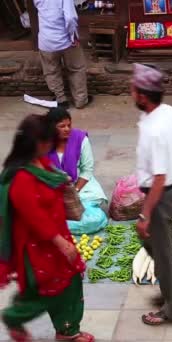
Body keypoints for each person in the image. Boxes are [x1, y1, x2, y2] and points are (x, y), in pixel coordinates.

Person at [0, 115, 93, 342]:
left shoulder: (42, 163)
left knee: (70, 283)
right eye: (46, 141)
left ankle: (68, 331)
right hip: (38, 248)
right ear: (35, 143)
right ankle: (13, 317)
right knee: (46, 292)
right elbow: (36, 218)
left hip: (57, 239)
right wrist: (61, 243)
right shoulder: (21, 178)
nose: (50, 145)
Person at [131, 63, 172, 325]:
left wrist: (145, 214)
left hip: (161, 196)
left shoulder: (155, 130)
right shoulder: (169, 112)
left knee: (162, 254)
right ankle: (171, 284)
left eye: (133, 89)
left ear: (142, 95)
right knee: (153, 245)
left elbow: (159, 179)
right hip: (171, 188)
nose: (131, 93)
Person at [46, 108, 108, 233]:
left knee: (92, 220)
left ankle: (54, 227)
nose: (67, 129)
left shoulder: (80, 139)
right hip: (50, 187)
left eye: (69, 125)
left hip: (78, 184)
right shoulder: (43, 142)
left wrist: (74, 191)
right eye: (61, 126)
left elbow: (87, 170)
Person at [33, 0, 91, 109]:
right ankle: (80, 100)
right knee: (76, 69)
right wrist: (72, 35)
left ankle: (61, 100)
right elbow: (70, 18)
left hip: (46, 40)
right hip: (67, 41)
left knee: (51, 71)